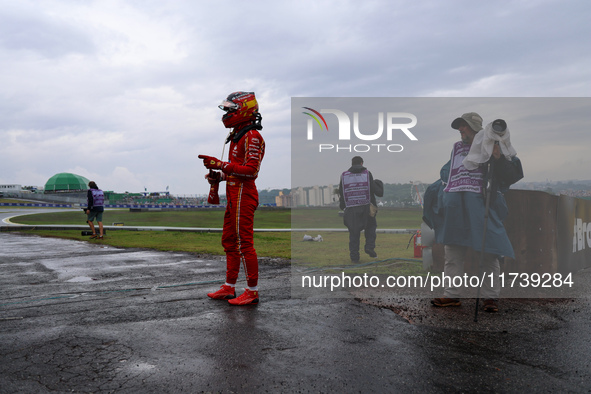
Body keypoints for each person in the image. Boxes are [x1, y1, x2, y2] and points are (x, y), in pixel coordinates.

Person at [424, 112, 523, 312]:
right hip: (456, 208)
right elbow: (447, 175)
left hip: (482, 206)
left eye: (465, 126)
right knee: (452, 251)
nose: (461, 130)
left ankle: (490, 298)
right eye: (460, 127)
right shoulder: (456, 149)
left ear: (477, 128)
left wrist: (497, 158)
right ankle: (452, 295)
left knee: (489, 251)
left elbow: (512, 175)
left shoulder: (493, 146)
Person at [198, 91, 265, 306]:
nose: (226, 113)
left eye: (230, 109)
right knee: (228, 241)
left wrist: (220, 165)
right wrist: (220, 176)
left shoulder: (252, 136)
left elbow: (251, 171)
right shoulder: (237, 135)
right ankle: (229, 286)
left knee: (245, 243)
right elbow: (237, 171)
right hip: (234, 195)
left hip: (244, 195)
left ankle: (252, 291)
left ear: (243, 110)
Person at [338, 156, 384, 263]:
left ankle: (354, 257)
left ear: (352, 163)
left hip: (351, 209)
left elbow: (342, 191)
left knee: (354, 233)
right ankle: (369, 247)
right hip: (366, 208)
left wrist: (343, 206)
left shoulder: (344, 176)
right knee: (371, 226)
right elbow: (374, 189)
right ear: (362, 163)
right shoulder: (367, 174)